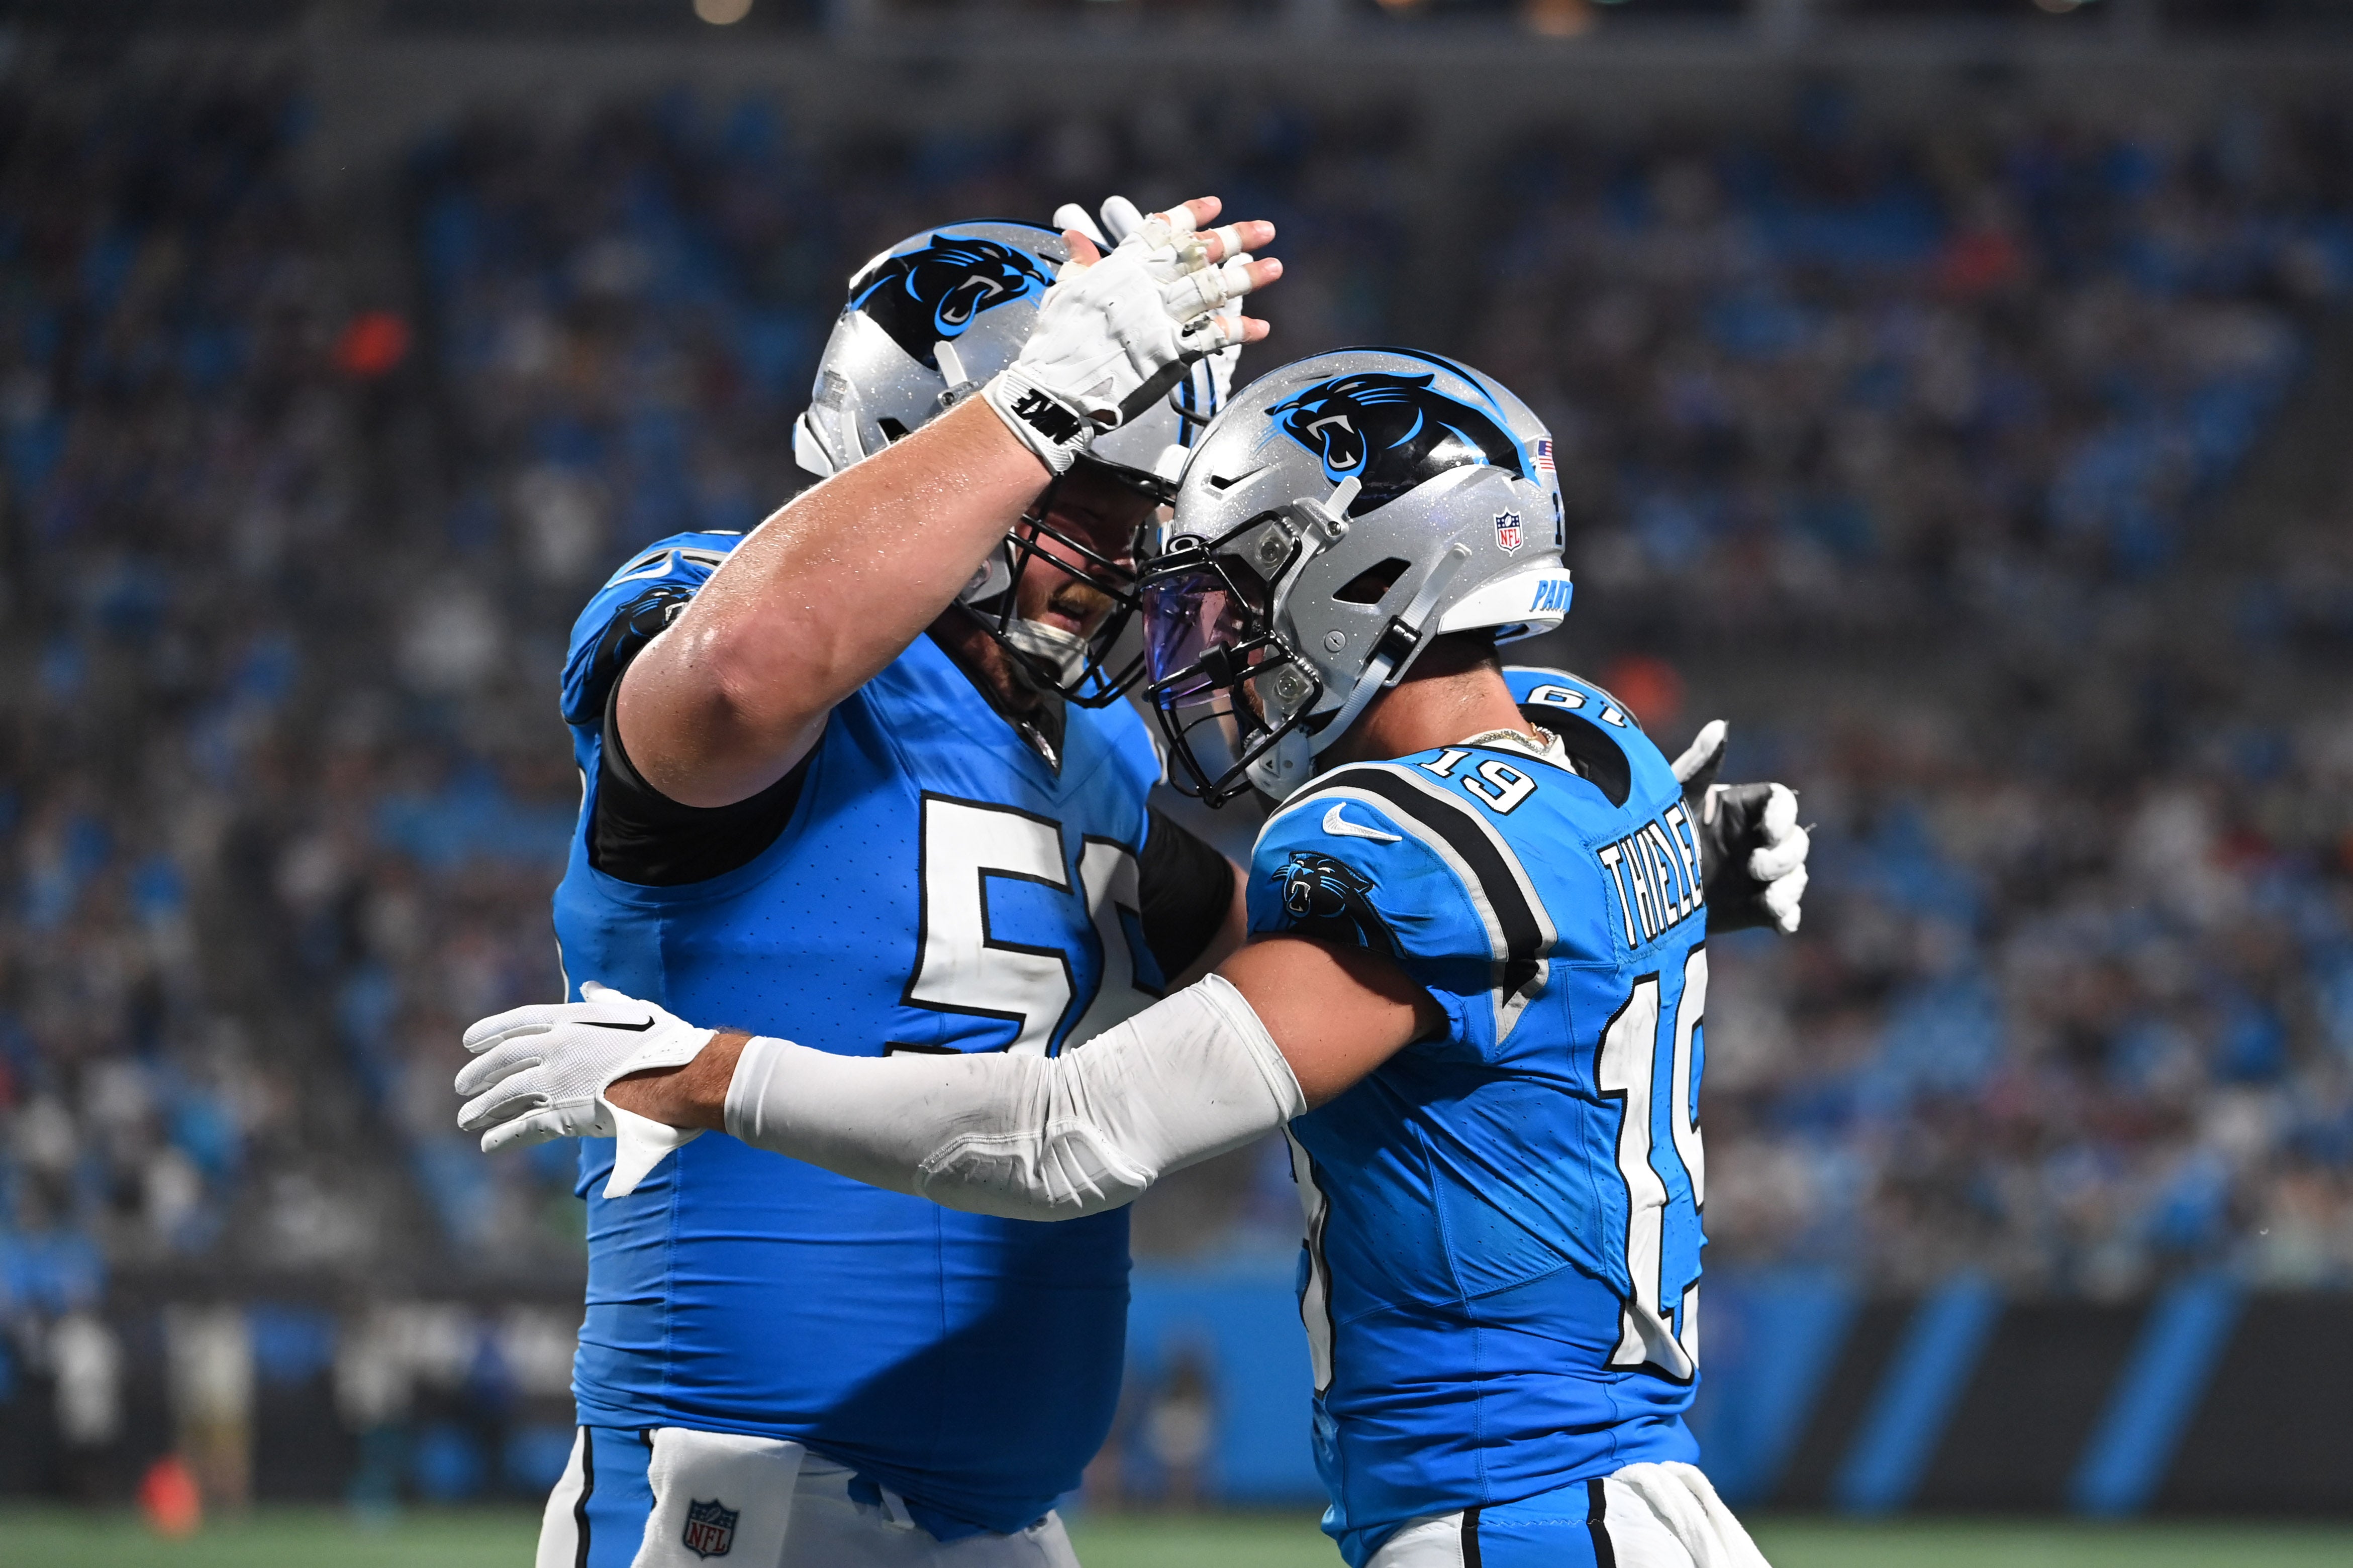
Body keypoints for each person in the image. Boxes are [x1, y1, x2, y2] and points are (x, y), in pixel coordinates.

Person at [460, 348, 1811, 1566]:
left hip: (1514, 1519)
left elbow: (1073, 1133)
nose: (1200, 634)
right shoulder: (1591, 752)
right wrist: (1671, 876)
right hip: (1625, 1500)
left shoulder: (1400, 843)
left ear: (1374, 585)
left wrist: (709, 1076)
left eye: (1241, 594)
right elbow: (739, 664)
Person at [480, 200, 1281, 1568]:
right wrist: (1041, 406)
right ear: (931, 431)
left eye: (1137, 513)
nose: (1122, 559)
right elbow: (739, 675)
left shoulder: (1082, 750)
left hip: (1006, 1526)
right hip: (732, 1499)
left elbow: (1280, 953)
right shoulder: (722, 610)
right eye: (1085, 500)